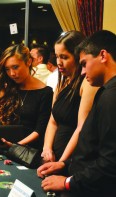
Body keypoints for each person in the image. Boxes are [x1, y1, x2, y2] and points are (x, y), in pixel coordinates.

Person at [37, 30, 116, 197]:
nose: (82, 72)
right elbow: (91, 149)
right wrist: (64, 164)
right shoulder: (106, 91)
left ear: (103, 55)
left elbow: (109, 162)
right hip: (78, 178)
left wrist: (67, 182)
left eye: (84, 63)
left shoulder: (111, 96)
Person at [41, 31, 99, 163]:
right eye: (56, 57)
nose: (59, 62)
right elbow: (52, 121)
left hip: (72, 161)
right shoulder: (62, 82)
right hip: (53, 158)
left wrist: (62, 162)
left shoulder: (87, 83)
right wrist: (47, 149)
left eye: (64, 57)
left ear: (78, 57)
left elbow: (81, 127)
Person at [0, 44, 53, 151]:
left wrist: (15, 146)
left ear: (29, 62)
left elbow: (40, 130)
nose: (12, 73)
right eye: (7, 69)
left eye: (15, 67)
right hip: (3, 148)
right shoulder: (7, 89)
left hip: (29, 151)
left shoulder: (45, 92)